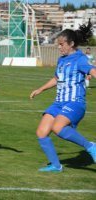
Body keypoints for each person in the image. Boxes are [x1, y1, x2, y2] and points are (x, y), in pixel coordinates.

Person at [30, 21, 96, 172]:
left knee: (58, 127)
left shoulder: (80, 58)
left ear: (71, 43)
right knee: (41, 132)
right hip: (59, 102)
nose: (59, 47)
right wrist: (40, 89)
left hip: (75, 102)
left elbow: (92, 71)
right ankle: (56, 165)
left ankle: (91, 146)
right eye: (58, 44)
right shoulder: (61, 60)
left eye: (61, 44)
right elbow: (57, 78)